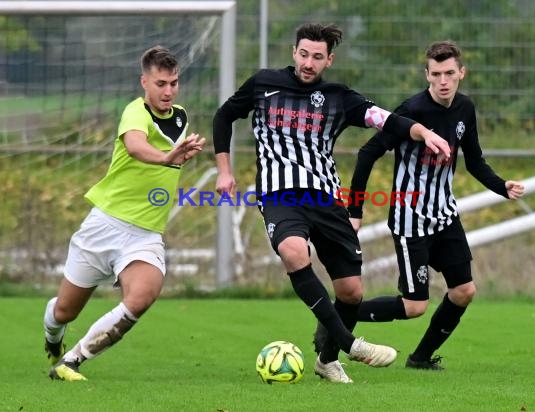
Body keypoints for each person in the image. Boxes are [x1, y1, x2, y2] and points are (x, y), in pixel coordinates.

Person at [213, 23, 451, 384]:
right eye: (304, 54)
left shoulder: (339, 97)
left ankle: (327, 361)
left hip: (326, 197)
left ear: (329, 60)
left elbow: (385, 120)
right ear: (294, 53)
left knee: (351, 292)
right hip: (280, 194)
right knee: (294, 252)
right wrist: (224, 171)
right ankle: (350, 344)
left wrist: (424, 132)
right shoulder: (264, 83)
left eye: (318, 57)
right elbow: (223, 116)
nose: (309, 63)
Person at [314, 40, 525, 370]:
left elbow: (475, 161)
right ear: (426, 75)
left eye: (449, 73)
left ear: (461, 74)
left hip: (445, 216)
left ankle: (421, 358)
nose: (443, 80)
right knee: (415, 305)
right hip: (410, 219)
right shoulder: (411, 112)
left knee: (464, 291)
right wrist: (355, 210)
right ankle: (336, 321)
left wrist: (502, 186)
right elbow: (367, 153)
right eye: (436, 74)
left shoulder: (465, 110)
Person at [43, 45, 206, 381]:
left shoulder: (181, 116)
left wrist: (177, 155)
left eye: (174, 83)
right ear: (144, 82)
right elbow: (135, 145)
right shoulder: (135, 112)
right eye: (161, 83)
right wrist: (166, 157)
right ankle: (53, 336)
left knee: (143, 295)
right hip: (104, 225)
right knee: (64, 311)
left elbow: (168, 153)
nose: (168, 91)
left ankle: (72, 361)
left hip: (144, 234)